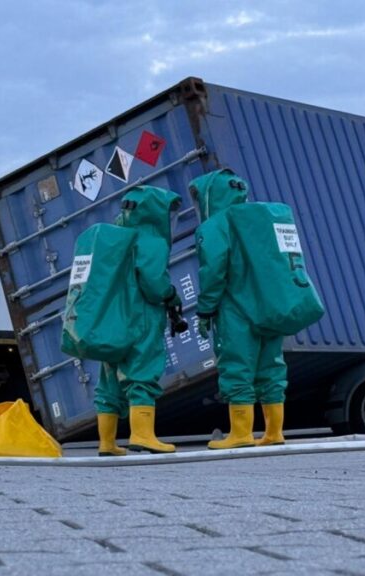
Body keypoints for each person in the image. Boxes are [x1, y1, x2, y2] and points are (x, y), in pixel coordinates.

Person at [189, 169, 324, 450]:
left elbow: (214, 271)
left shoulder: (216, 225)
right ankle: (274, 432)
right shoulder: (263, 219)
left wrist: (205, 311)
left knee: (237, 367)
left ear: (210, 196)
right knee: (272, 368)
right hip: (271, 307)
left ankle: (240, 433)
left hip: (236, 311)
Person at [96, 185, 185, 456]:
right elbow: (154, 284)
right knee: (142, 373)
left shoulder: (112, 237)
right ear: (154, 211)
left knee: (109, 379)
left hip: (112, 318)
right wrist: (171, 295)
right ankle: (143, 435)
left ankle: (107, 443)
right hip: (141, 316)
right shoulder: (150, 240)